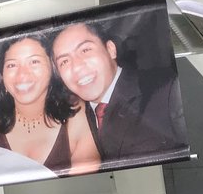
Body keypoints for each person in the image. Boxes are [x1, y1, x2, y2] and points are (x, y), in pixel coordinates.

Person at [50, 21, 184, 165]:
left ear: (110, 49)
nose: (76, 67)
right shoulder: (77, 117)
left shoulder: (168, 91)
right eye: (64, 62)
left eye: (85, 50)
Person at [0, 34, 100, 175]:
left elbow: (87, 186)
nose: (22, 75)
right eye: (12, 65)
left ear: (52, 68)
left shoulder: (75, 112)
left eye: (34, 62)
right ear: (2, 74)